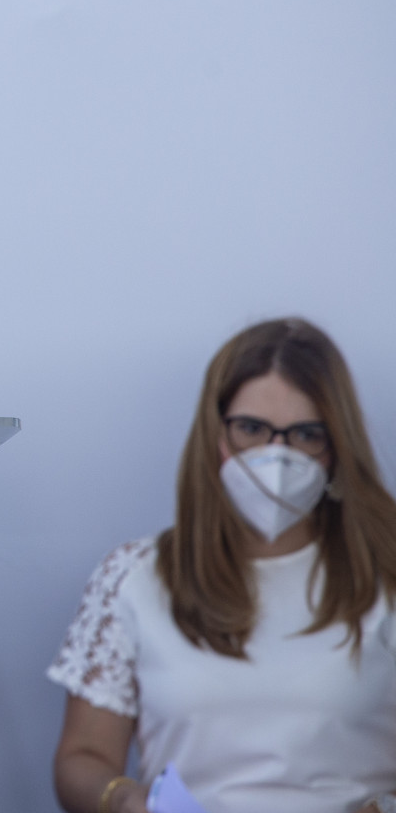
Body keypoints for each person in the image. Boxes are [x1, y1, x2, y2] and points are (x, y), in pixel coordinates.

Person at [49, 318, 396, 813]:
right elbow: (83, 757)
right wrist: (124, 799)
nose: (277, 455)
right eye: (252, 429)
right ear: (215, 434)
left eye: (306, 434)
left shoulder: (385, 575)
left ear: (338, 445)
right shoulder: (135, 577)